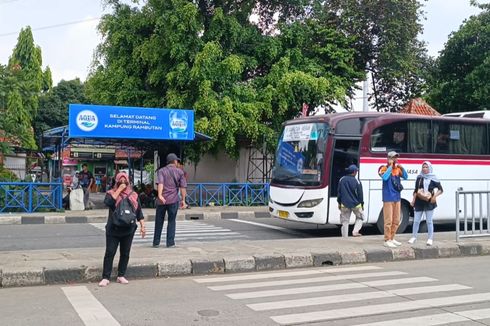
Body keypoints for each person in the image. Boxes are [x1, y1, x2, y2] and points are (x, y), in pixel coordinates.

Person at [99, 172, 146, 287]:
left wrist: (142, 226)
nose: (123, 183)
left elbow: (139, 211)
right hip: (113, 229)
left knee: (125, 253)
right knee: (110, 252)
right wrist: (119, 190)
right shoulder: (111, 193)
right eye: (121, 180)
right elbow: (109, 203)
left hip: (128, 229)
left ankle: (121, 275)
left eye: (125, 181)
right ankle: (106, 277)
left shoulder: (134, 194)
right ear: (116, 181)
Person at [152, 153, 187, 248]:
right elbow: (183, 187)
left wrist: (160, 195)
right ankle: (170, 242)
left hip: (161, 201)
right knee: (172, 221)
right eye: (177, 161)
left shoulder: (161, 171)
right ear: (175, 161)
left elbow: (160, 183)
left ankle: (156, 242)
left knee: (159, 221)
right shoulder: (180, 172)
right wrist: (183, 200)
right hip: (173, 200)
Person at [409, 161, 443, 246]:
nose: (424, 169)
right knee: (416, 220)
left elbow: (440, 190)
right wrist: (413, 201)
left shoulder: (433, 178)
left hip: (429, 201)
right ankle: (414, 237)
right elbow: (416, 190)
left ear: (430, 168)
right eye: (423, 167)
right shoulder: (419, 177)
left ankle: (430, 238)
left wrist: (434, 196)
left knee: (429, 221)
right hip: (419, 201)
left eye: (426, 167)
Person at [378, 151, 408, 248]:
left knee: (396, 219)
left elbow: (406, 177)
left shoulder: (398, 169)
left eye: (396, 158)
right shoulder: (383, 168)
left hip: (397, 197)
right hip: (388, 198)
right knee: (388, 220)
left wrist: (402, 168)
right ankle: (387, 239)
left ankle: (392, 237)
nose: (395, 159)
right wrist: (390, 166)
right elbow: (385, 178)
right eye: (393, 158)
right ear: (388, 158)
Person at [337, 164, 364, 237]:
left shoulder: (342, 179)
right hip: (356, 205)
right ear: (354, 172)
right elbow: (360, 195)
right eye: (356, 171)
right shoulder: (357, 181)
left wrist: (339, 203)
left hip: (344, 204)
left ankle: (345, 237)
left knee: (345, 221)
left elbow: (339, 193)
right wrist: (362, 204)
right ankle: (355, 232)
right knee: (360, 217)